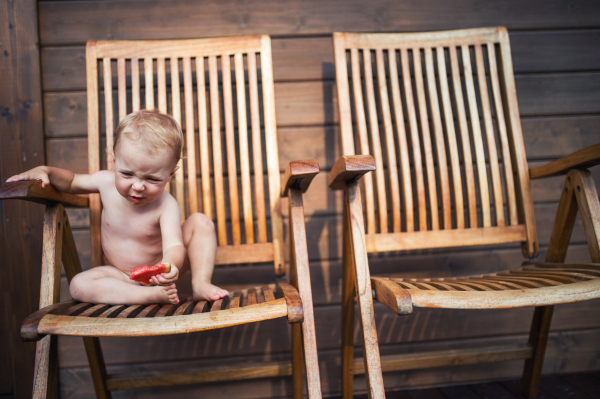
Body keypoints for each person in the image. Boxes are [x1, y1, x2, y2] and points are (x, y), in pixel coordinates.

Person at [6, 109, 229, 305]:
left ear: (170, 174)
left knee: (201, 222)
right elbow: (72, 181)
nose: (138, 186)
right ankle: (145, 296)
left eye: (152, 179)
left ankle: (200, 283)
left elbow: (174, 246)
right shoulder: (104, 182)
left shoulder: (166, 205)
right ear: (114, 159)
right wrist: (46, 171)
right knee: (78, 285)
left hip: (156, 273)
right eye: (127, 174)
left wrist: (167, 267)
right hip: (122, 276)